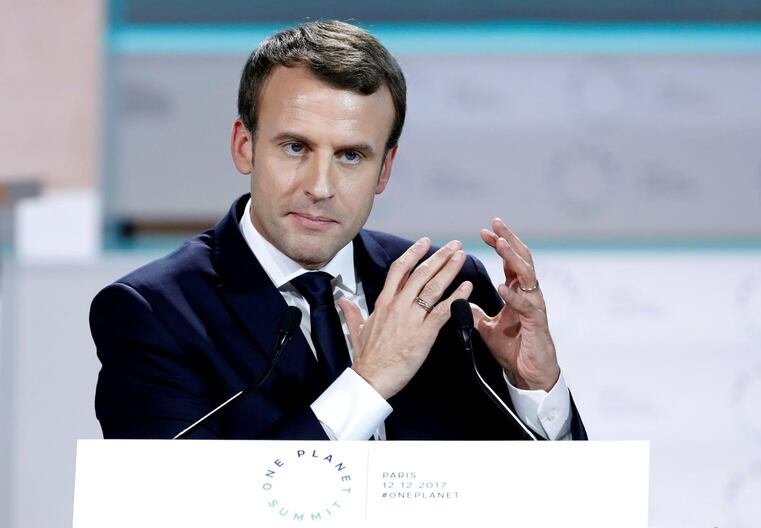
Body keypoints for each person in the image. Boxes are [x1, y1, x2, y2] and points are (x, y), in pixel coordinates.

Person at [91, 20, 587, 441]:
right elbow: (178, 505)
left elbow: (540, 500)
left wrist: (534, 389)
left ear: (385, 169)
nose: (320, 186)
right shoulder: (152, 313)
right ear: (245, 146)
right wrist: (367, 384)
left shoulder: (443, 290)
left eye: (351, 156)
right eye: (295, 147)